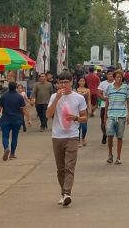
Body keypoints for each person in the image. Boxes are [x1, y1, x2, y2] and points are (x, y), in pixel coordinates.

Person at [46, 70, 87, 207]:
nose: (64, 85)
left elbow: (84, 117)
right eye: (61, 82)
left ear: (72, 82)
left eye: (66, 82)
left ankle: (67, 193)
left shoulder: (78, 98)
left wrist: (75, 118)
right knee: (60, 169)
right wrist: (57, 99)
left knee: (70, 166)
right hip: (57, 136)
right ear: (57, 84)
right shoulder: (54, 97)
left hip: (72, 136)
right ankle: (63, 194)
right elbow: (48, 115)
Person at [0, 81, 31, 161]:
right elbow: (24, 109)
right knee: (15, 137)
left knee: (5, 136)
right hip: (17, 119)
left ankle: (6, 148)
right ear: (16, 87)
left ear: (8, 87)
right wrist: (29, 119)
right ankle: (12, 154)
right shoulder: (19, 97)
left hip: (5, 119)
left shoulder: (4, 96)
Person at [105, 70, 129, 165]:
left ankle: (119, 157)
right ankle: (110, 153)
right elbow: (107, 102)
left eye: (120, 77)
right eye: (117, 77)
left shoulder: (125, 88)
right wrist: (105, 117)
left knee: (119, 137)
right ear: (114, 78)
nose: (119, 79)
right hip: (111, 115)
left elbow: (128, 102)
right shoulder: (109, 88)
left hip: (122, 115)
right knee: (109, 134)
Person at [97, 71, 115, 145]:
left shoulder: (116, 83)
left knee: (113, 123)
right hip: (104, 105)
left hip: (114, 106)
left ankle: (111, 138)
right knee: (103, 122)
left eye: (112, 74)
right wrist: (103, 98)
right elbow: (98, 92)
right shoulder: (103, 83)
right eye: (109, 74)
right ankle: (104, 134)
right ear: (107, 75)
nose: (110, 75)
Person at [75, 78, 93, 146]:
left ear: (85, 82)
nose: (82, 82)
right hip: (77, 109)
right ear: (78, 82)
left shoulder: (87, 90)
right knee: (78, 126)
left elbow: (89, 100)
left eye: (83, 81)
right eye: (80, 81)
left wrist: (90, 108)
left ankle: (83, 138)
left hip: (84, 109)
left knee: (84, 126)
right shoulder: (76, 90)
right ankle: (78, 140)